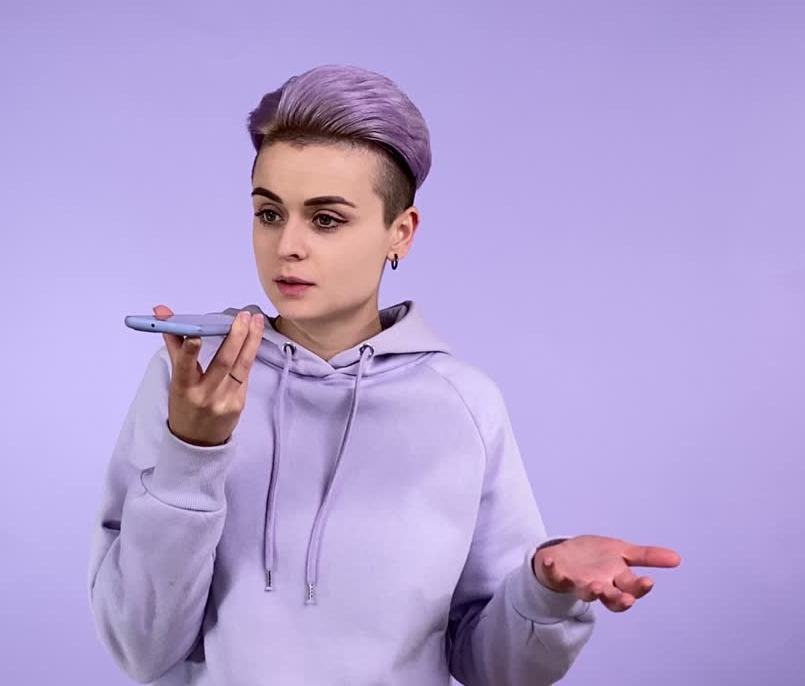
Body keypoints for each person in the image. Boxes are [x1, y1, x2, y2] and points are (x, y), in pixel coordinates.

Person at [87, 64, 681, 685]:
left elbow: (491, 667)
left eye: (326, 219)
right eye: (269, 213)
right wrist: (193, 452)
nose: (288, 244)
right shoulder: (192, 379)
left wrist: (544, 592)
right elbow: (141, 648)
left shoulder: (462, 404)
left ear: (400, 232)